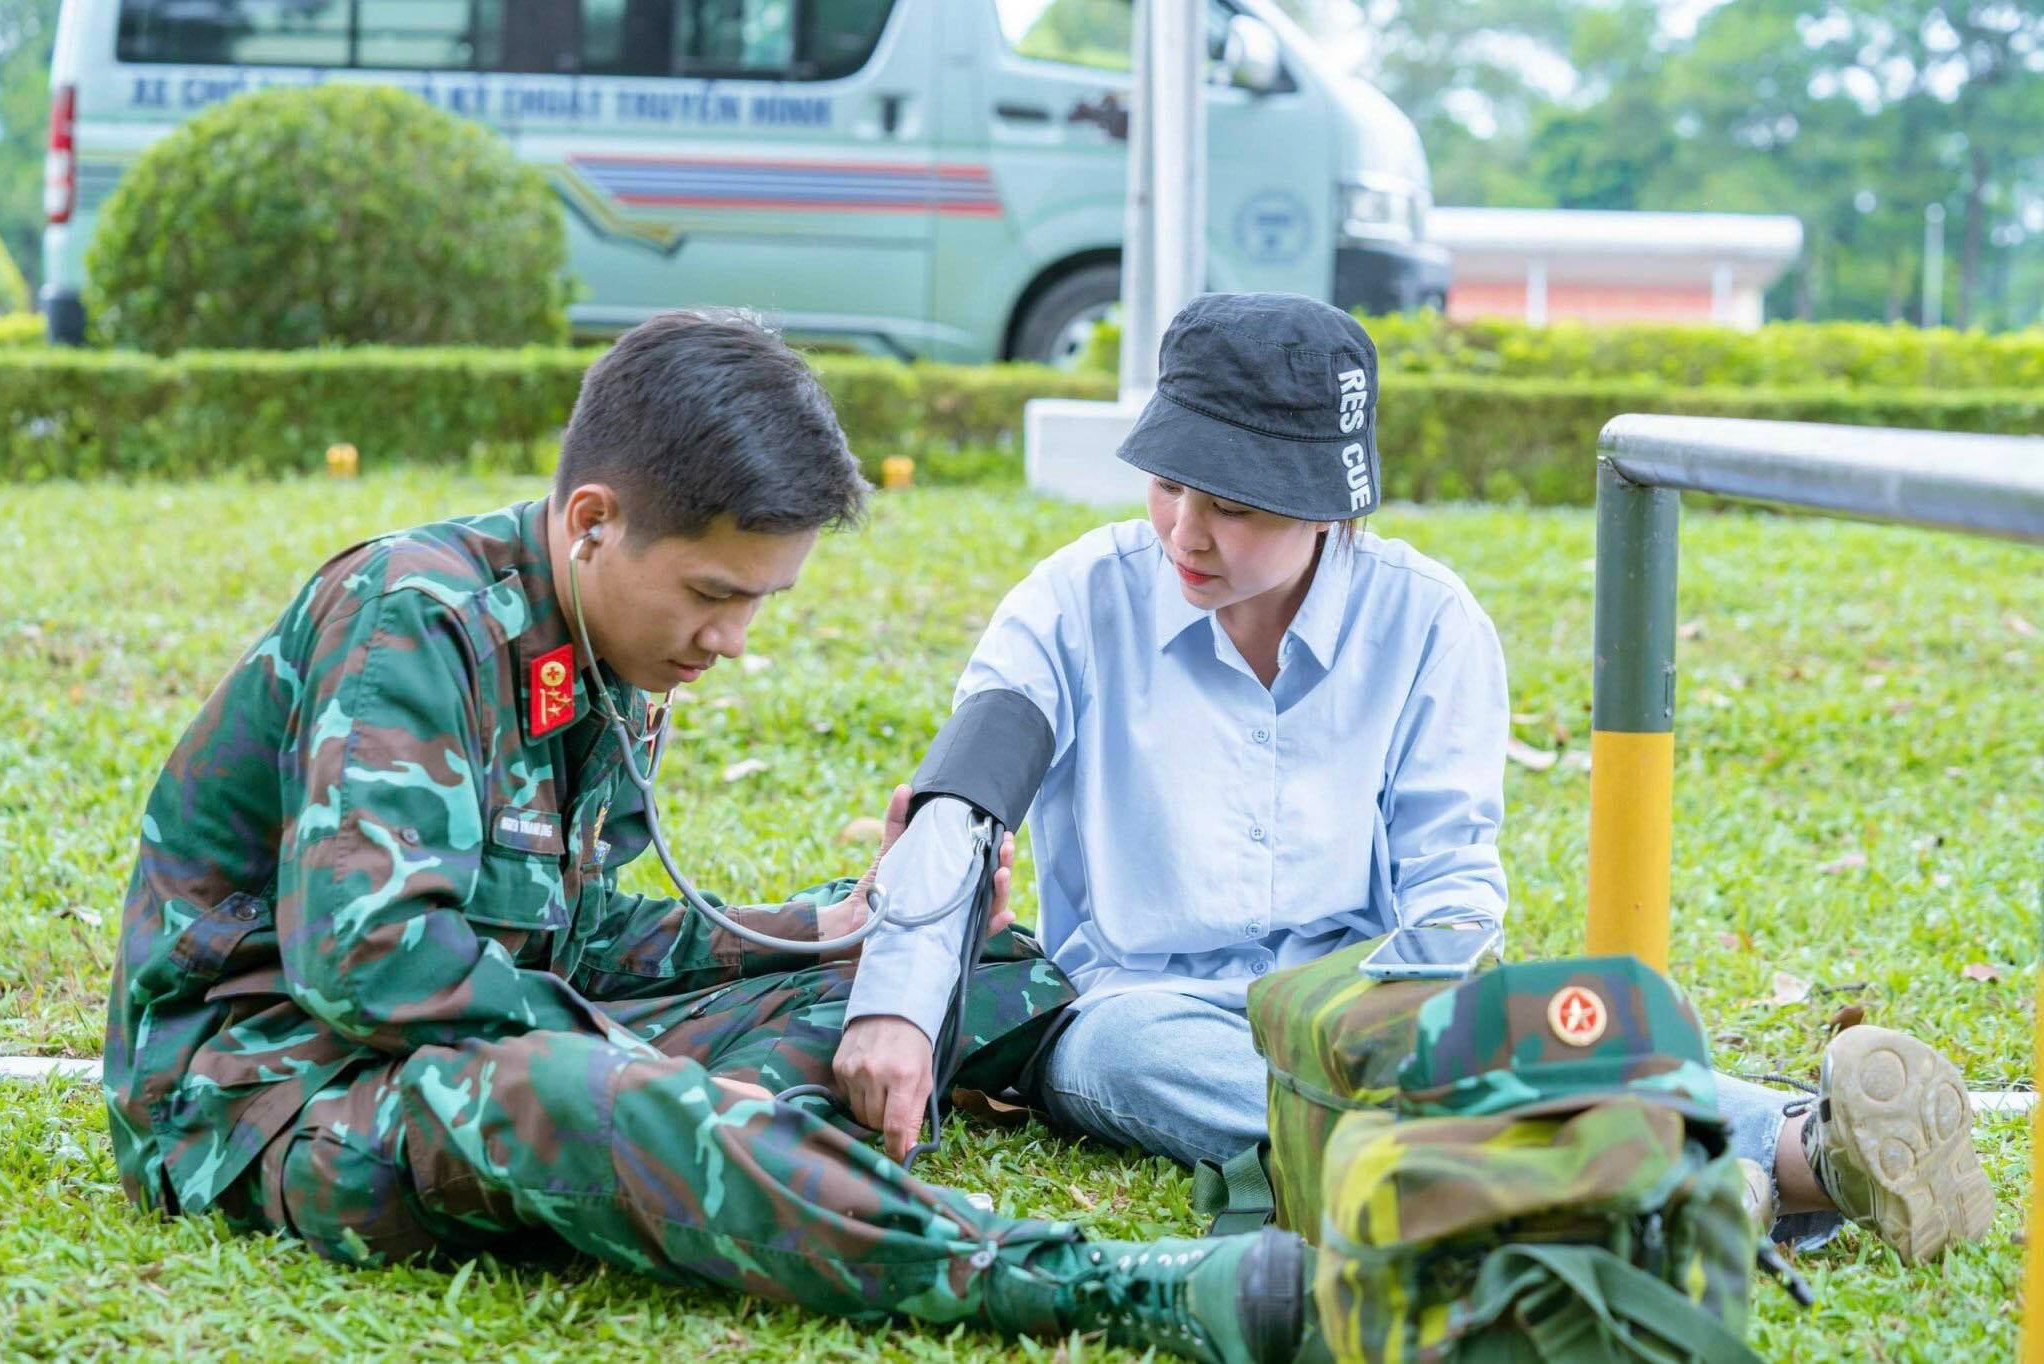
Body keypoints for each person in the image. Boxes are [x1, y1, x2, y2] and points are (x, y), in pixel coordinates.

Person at [104, 309, 1313, 1364]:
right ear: (592, 520)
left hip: (484, 1033)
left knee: (961, 960)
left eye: (758, 601)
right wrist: (645, 1069)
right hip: (276, 1089)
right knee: (581, 1096)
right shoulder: (411, 620)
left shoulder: (604, 643)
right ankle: (1078, 1280)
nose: (730, 640)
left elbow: (568, 938)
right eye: (713, 594)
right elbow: (368, 964)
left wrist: (829, 927)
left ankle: (732, 1147)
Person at [835, 292, 1994, 1267]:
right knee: (1121, 1052)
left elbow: (1450, 878)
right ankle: (1630, 1179)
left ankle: (1812, 1152)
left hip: (1371, 1006)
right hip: (1144, 1010)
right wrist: (894, 1002)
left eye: (1231, 502)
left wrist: (1418, 1007)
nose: (1184, 529)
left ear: (1329, 501)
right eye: (1167, 484)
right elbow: (962, 799)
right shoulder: (1070, 600)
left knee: (1507, 1033)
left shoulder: (1430, 622)